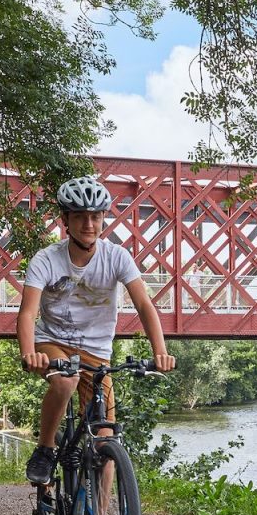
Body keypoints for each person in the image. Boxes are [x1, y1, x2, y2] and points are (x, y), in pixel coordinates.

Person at [17, 175, 176, 492]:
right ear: (65, 219)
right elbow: (28, 312)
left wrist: (160, 351)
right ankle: (46, 449)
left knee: (107, 445)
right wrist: (28, 353)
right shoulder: (46, 260)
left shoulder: (116, 256)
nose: (88, 224)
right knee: (66, 379)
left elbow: (144, 304)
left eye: (95, 216)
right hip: (53, 343)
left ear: (104, 217)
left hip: (98, 352)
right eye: (79, 216)